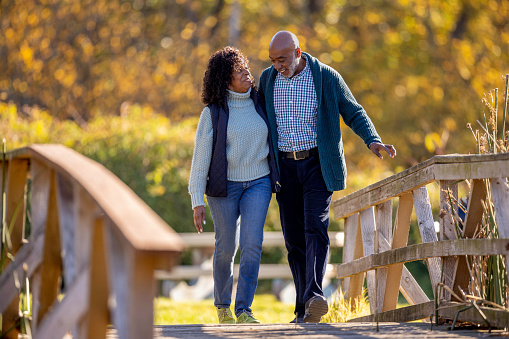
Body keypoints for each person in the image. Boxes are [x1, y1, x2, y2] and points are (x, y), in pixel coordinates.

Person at [258, 31, 396, 323]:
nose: (277, 65)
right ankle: (302, 307)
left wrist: (373, 139)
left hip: (317, 165)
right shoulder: (267, 80)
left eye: (281, 59)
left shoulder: (327, 77)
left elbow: (353, 112)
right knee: (294, 240)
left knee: (315, 228)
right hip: (284, 168)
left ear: (298, 53)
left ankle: (314, 295)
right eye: (272, 60)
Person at [188, 46, 280, 324]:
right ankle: (223, 306)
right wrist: (197, 200)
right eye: (238, 71)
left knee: (252, 245)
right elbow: (200, 160)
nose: (246, 74)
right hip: (224, 188)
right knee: (226, 246)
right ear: (225, 79)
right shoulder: (213, 114)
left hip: (259, 183)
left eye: (245, 68)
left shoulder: (261, 102)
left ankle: (244, 310)